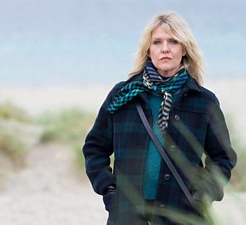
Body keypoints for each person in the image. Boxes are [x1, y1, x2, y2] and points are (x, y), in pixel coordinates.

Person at [83, 12, 237, 225]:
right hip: (127, 214)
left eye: (173, 41)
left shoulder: (203, 102)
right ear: (148, 50)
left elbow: (222, 158)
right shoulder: (123, 95)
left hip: (182, 216)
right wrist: (109, 191)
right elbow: (94, 147)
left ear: (184, 49)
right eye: (157, 42)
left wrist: (202, 197)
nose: (165, 48)